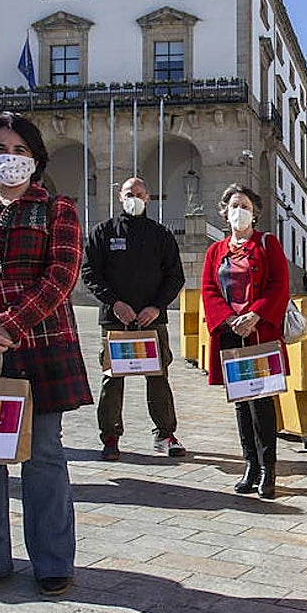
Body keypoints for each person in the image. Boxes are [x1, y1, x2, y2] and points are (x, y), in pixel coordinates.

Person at [0, 112, 93, 599]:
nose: (10, 159)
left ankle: (53, 561)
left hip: (38, 347)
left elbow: (61, 276)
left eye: (20, 151)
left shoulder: (58, 209)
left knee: (44, 456)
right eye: (2, 149)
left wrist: (9, 326)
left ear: (35, 159)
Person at [81, 176, 186, 461]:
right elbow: (89, 272)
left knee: (158, 376)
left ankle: (165, 434)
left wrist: (156, 307)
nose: (134, 197)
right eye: (129, 193)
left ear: (149, 198)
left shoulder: (161, 235)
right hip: (115, 320)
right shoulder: (102, 232)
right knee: (112, 379)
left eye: (140, 193)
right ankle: (110, 437)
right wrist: (114, 303)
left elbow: (175, 276)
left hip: (152, 320)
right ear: (119, 197)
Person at [200, 184, 290, 499]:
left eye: (246, 206)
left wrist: (256, 315)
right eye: (235, 205)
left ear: (255, 213)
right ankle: (250, 463)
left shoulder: (268, 244)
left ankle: (268, 468)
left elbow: (280, 284)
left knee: (262, 402)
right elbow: (209, 289)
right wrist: (227, 319)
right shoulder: (215, 251)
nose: (240, 211)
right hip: (230, 335)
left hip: (258, 333)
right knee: (240, 401)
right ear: (224, 212)